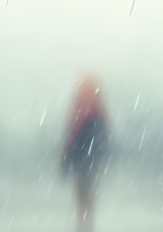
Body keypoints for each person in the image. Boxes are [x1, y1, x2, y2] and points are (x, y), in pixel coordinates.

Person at [62, 76, 108, 232]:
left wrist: (67, 156)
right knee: (88, 189)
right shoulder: (97, 108)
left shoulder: (79, 108)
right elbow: (104, 133)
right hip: (91, 157)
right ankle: (87, 223)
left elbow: (71, 134)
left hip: (81, 157)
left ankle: (83, 223)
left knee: (81, 189)